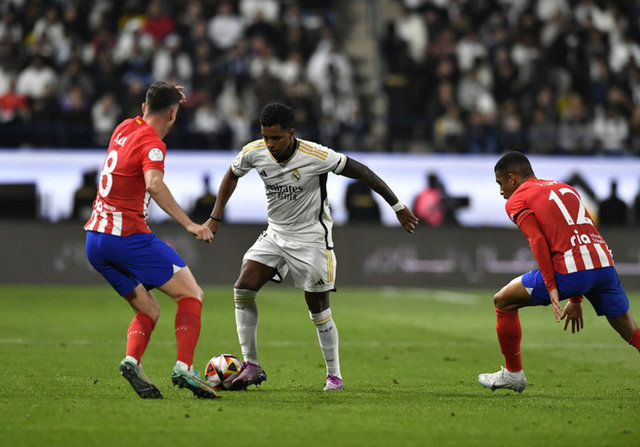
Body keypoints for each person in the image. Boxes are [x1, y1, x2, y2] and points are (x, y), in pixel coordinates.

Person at [205, 103, 418, 391]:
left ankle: (334, 376)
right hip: (276, 233)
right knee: (243, 288)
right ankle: (251, 365)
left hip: (311, 238)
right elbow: (232, 174)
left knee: (318, 308)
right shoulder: (254, 152)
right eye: (265, 137)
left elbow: (364, 172)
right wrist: (215, 217)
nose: (270, 144)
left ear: (291, 133)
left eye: (276, 138)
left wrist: (398, 207)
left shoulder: (316, 155)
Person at [84, 81, 219, 399]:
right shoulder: (153, 144)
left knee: (148, 309)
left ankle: (132, 361)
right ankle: (185, 368)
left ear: (144, 107)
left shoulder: (123, 127)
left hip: (95, 240)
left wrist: (165, 94)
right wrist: (190, 224)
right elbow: (154, 184)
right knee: (192, 294)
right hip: (127, 237)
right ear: (173, 114)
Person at [478, 151, 640, 393]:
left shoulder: (517, 199)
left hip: (571, 271)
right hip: (603, 263)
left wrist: (552, 285)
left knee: (503, 300)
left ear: (512, 178)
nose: (501, 191)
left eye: (500, 183)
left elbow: (537, 240)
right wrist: (576, 298)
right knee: (629, 329)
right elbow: (578, 232)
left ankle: (513, 374)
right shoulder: (564, 187)